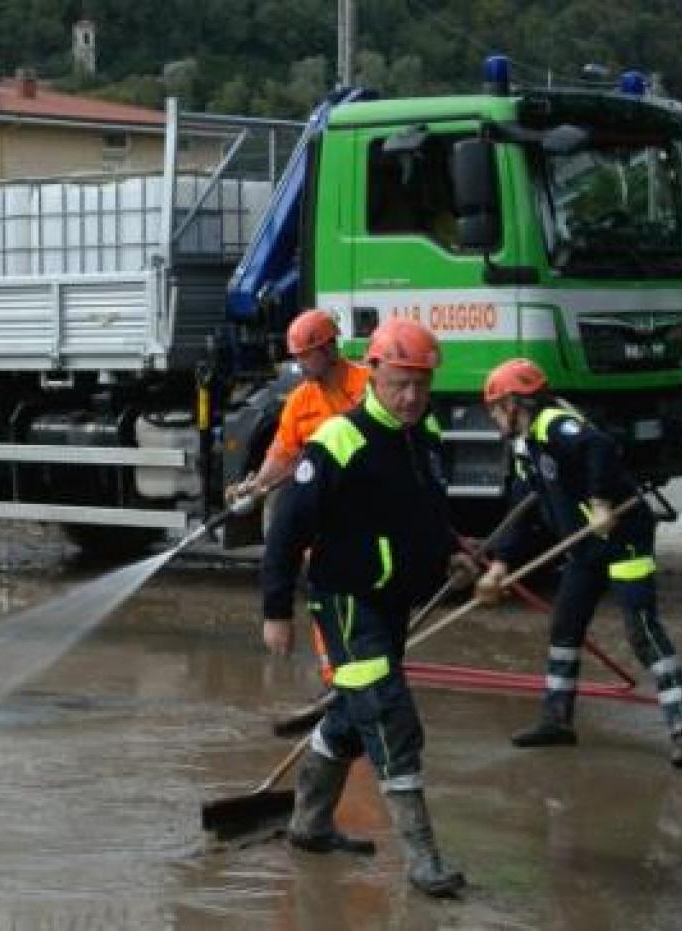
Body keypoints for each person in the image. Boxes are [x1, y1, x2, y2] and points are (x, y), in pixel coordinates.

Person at [262, 317, 477, 898]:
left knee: (352, 718)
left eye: (421, 385)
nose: (410, 397)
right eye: (400, 384)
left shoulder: (423, 434)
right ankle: (424, 861)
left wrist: (452, 554)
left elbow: (428, 511)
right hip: (346, 601)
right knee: (388, 717)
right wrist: (276, 611)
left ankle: (309, 825)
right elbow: (286, 531)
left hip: (392, 602)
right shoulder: (340, 439)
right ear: (373, 373)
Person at [475, 358, 682, 768]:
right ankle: (556, 720)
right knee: (565, 626)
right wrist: (500, 565)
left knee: (642, 630)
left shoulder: (553, 424)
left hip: (622, 540)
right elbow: (522, 507)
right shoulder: (527, 445)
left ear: (512, 405)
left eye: (494, 409)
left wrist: (601, 502)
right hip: (585, 549)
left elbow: (599, 446)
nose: (494, 419)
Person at [227, 308, 370, 685]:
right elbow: (282, 453)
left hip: (367, 514)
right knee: (325, 597)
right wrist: (255, 487)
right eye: (297, 357)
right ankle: (334, 680)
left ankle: (355, 677)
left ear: (330, 348)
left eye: (307, 355)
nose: (300, 364)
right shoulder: (301, 400)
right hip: (327, 520)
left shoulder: (367, 386)